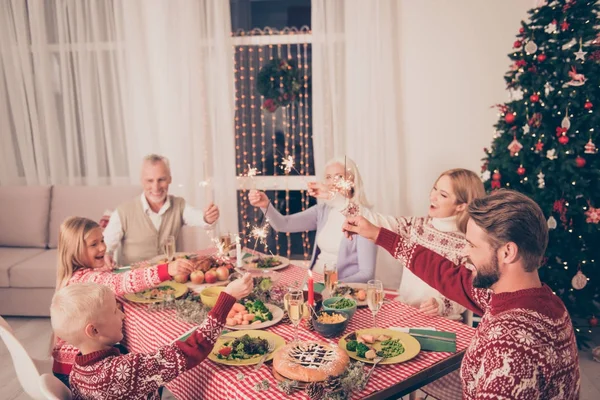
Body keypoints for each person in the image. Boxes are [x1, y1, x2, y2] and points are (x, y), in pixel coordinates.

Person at [343, 189, 580, 399]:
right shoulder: (539, 300)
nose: (464, 253)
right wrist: (377, 234)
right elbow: (447, 275)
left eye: (473, 246)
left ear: (508, 252)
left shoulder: (509, 349)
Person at [50, 277, 253, 399]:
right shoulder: (124, 370)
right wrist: (227, 297)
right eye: (114, 311)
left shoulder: (76, 371)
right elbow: (192, 349)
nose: (122, 315)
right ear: (93, 331)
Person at [52, 216, 196, 385]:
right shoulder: (85, 280)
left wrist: (103, 266)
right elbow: (119, 282)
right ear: (74, 250)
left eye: (102, 240)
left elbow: (106, 278)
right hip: (78, 374)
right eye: (94, 244)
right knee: (147, 369)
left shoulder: (77, 275)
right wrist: (167, 269)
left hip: (68, 366)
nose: (102, 247)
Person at [363, 169, 485, 321]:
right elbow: (374, 221)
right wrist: (340, 201)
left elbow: (468, 292)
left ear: (461, 206)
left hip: (441, 322)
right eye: (435, 189)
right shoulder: (416, 226)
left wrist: (440, 305)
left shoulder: (467, 245)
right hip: (405, 310)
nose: (432, 196)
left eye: (443, 195)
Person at [248, 156, 376, 282]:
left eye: (339, 177)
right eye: (328, 177)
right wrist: (265, 205)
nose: (332, 182)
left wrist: (335, 286)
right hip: (314, 280)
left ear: (352, 180)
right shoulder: (322, 210)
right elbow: (283, 224)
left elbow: (367, 273)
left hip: (341, 290)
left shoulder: (363, 217)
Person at [103, 154, 220, 266]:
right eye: (150, 180)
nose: (156, 187)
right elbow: (105, 246)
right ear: (142, 181)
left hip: (170, 279)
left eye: (161, 180)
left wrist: (207, 218)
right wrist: (107, 255)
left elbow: (200, 218)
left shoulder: (179, 205)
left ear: (170, 179)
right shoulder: (123, 212)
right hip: (136, 280)